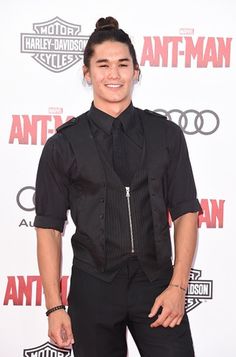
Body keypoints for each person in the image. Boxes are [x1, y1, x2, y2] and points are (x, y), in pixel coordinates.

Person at [34, 16, 202, 357]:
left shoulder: (165, 135)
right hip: (92, 289)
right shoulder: (63, 144)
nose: (114, 74)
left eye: (123, 65)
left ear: (136, 71)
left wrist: (178, 286)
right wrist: (54, 308)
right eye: (103, 65)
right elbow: (48, 229)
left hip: (157, 287)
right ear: (87, 73)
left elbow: (186, 212)